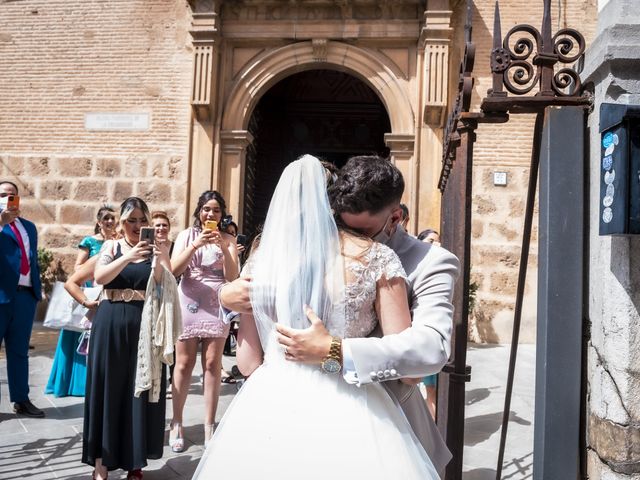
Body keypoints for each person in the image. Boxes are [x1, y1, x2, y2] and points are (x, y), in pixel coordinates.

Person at [192, 155, 440, 480]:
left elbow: (249, 361)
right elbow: (408, 374)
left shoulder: (259, 264)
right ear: (338, 202)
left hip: (270, 403)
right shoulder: (377, 258)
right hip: (355, 407)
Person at [82, 197, 172, 480]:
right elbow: (100, 277)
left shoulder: (153, 251)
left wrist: (161, 255)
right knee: (107, 388)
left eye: (141, 220)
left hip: (142, 325)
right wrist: (128, 257)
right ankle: (101, 461)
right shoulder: (112, 246)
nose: (136, 225)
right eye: (130, 220)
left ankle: (135, 462)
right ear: (121, 223)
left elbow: (161, 282)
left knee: (138, 390)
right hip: (110, 322)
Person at [169, 191, 239, 452]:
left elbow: (233, 276)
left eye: (216, 210)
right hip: (188, 302)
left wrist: (224, 247)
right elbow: (174, 270)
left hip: (216, 303)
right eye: (207, 209)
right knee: (184, 363)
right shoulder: (186, 236)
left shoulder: (229, 239)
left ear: (222, 215)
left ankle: (209, 425)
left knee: (212, 363)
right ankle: (177, 422)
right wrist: (196, 245)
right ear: (200, 211)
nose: (211, 214)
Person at [45, 205, 116, 397]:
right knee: (79, 335)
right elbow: (78, 268)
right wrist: (96, 267)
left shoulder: (120, 241)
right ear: (99, 222)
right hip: (91, 291)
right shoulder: (90, 242)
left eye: (113, 218)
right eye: (106, 218)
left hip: (110, 293)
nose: (110, 222)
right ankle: (75, 383)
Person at [0, 180, 45, 418]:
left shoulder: (29, 227)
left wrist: (36, 289)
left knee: (19, 351)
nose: (8, 198)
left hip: (25, 297)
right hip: (0, 296)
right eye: (3, 195)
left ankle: (21, 399)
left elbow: (31, 258)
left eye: (12, 195)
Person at [416, 228, 442, 419]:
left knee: (431, 390)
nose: (435, 244)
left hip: (430, 335)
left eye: (438, 241)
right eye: (430, 241)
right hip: (414, 333)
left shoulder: (441, 265)